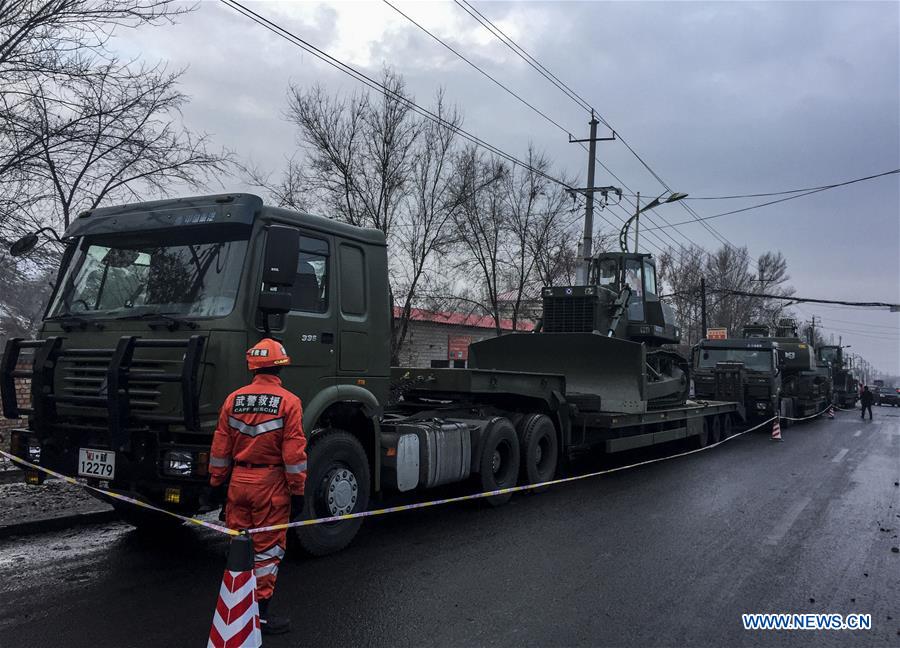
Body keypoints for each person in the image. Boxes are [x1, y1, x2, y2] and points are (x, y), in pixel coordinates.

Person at [208, 338, 307, 635]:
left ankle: (234, 608)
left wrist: (216, 483)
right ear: (280, 367)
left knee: (239, 547)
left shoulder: (232, 399)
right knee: (267, 552)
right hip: (270, 485)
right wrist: (298, 490)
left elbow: (220, 446)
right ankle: (260, 617)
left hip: (238, 483)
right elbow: (293, 454)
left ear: (252, 367)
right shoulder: (289, 402)